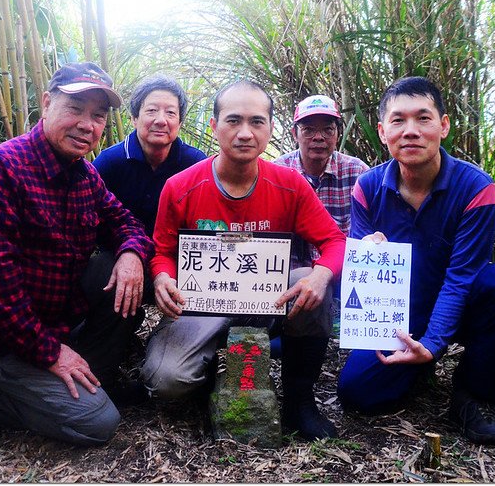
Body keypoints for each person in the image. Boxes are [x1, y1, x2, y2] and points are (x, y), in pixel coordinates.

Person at [0, 62, 154, 446]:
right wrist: (52, 353)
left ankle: (92, 380)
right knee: (98, 423)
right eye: (75, 109)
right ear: (46, 104)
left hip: (53, 320)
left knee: (114, 266)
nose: (86, 125)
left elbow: (127, 223)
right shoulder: (0, 168)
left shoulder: (85, 174)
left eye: (98, 116)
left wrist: (130, 255)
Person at [141, 80, 347, 441]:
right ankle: (206, 384)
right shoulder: (180, 186)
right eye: (233, 120)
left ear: (270, 127)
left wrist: (320, 275)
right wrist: (162, 277)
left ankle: (299, 400)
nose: (244, 133)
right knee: (167, 381)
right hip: (204, 302)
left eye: (256, 122)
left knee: (309, 279)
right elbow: (162, 251)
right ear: (214, 125)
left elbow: (333, 241)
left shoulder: (290, 185)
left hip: (267, 297)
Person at [336, 76, 495, 444]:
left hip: (461, 306)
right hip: (401, 312)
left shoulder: (476, 187)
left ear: (443, 125)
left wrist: (432, 343)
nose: (410, 131)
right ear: (382, 132)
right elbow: (361, 274)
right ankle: (416, 368)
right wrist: (368, 251)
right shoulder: (367, 187)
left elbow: (462, 275)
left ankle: (475, 394)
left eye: (423, 118)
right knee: (358, 393)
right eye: (398, 120)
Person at [93, 75, 207, 235]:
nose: (161, 120)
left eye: (170, 113)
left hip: (178, 254)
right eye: (152, 110)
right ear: (134, 118)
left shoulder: (196, 164)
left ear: (180, 123)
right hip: (120, 253)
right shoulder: (109, 162)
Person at [274, 94, 368, 268]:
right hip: (291, 276)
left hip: (346, 270)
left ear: (338, 133)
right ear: (295, 133)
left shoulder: (357, 173)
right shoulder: (278, 174)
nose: (318, 137)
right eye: (308, 130)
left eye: (328, 130)